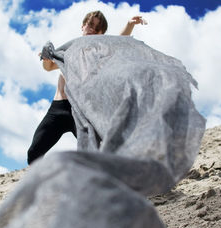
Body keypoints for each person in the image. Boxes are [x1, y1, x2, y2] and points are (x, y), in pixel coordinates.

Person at [27, 11, 147, 164]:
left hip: (81, 111)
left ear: (101, 33)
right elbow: (49, 67)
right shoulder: (68, 51)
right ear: (83, 26)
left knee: (94, 154)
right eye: (90, 25)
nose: (92, 29)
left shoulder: (99, 53)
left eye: (97, 28)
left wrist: (129, 25)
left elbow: (118, 42)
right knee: (34, 152)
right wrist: (45, 58)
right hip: (58, 109)